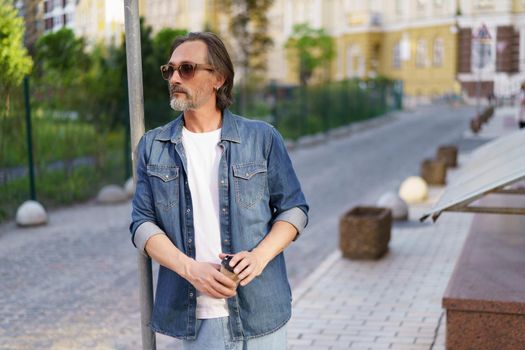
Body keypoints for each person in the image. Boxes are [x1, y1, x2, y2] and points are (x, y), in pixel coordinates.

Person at [129, 32, 309, 350]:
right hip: (195, 320)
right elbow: (142, 225)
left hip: (261, 312)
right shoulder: (153, 146)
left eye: (186, 68)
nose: (174, 77)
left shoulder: (262, 138)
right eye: (169, 70)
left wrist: (259, 256)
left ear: (219, 79)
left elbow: (295, 209)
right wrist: (191, 269)